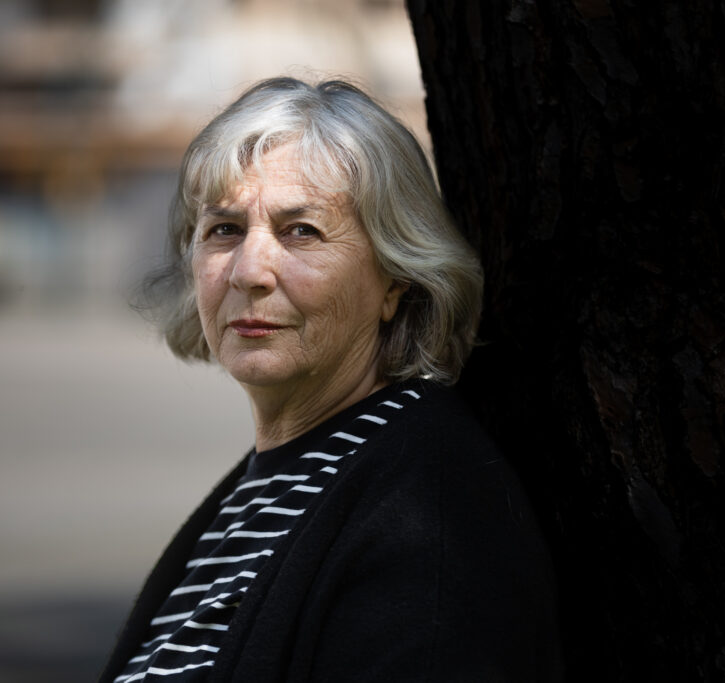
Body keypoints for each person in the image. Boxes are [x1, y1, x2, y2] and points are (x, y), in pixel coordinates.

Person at [99, 77, 563, 682]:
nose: (249, 271)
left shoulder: (431, 520)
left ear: (396, 279)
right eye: (224, 230)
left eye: (302, 231)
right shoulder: (272, 481)